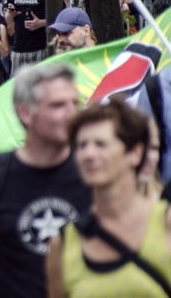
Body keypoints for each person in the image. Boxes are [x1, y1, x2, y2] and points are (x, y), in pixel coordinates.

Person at [0, 64, 91, 298]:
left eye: (75, 103)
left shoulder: (93, 170)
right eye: (58, 105)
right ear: (25, 113)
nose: (71, 113)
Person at [46, 100, 171, 297]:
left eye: (101, 144)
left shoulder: (166, 223)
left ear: (135, 153)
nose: (89, 154)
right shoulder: (63, 243)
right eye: (81, 145)